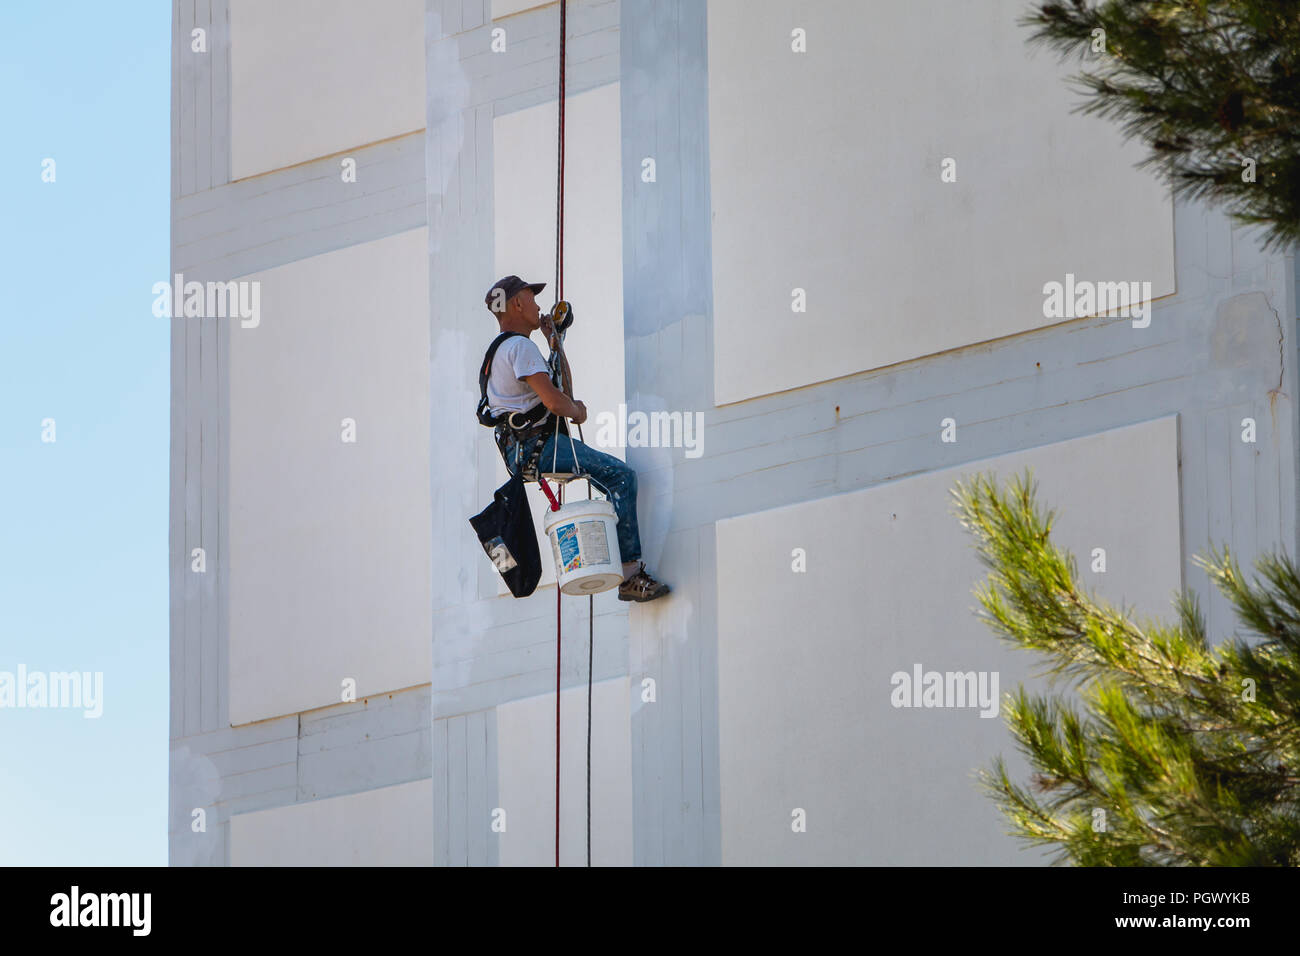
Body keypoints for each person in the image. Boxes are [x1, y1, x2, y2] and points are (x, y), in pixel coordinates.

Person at [481, 275, 670, 603]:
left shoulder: (498, 353)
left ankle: (621, 566)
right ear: (518, 304)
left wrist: (555, 342)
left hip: (522, 453)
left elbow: (556, 391)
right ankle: (630, 574)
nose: (538, 305)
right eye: (532, 297)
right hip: (539, 447)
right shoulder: (520, 347)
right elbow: (558, 401)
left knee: (609, 481)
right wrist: (577, 411)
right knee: (621, 478)